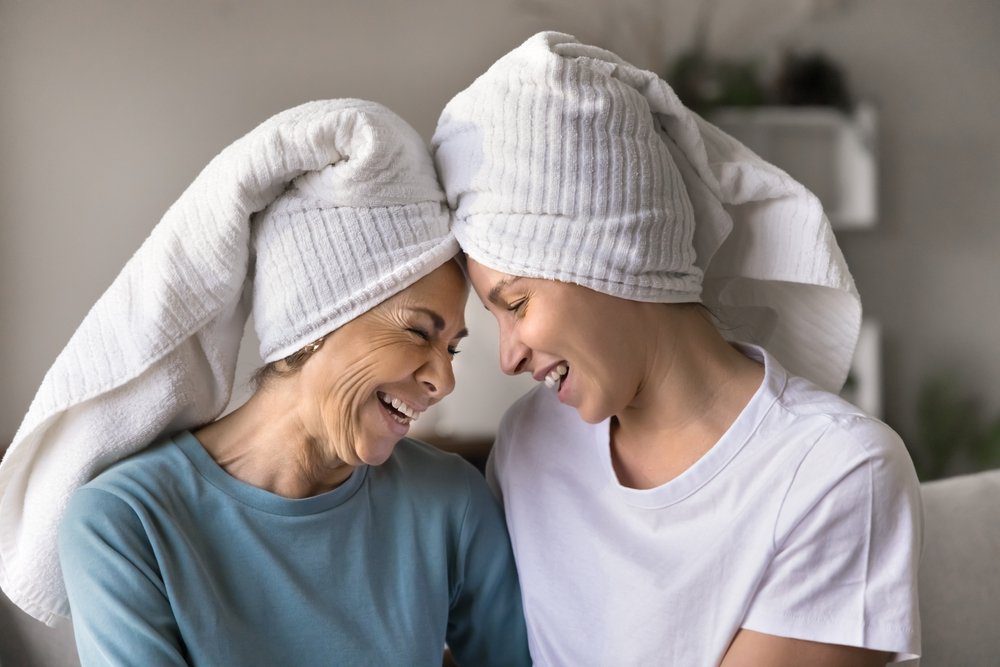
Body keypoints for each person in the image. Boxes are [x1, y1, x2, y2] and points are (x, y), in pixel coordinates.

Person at [433, 32, 921, 666]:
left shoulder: (835, 473)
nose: (510, 357)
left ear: (611, 254)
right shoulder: (528, 443)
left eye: (517, 304)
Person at [1, 100, 529, 666]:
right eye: (420, 333)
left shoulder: (450, 501)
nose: (443, 378)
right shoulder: (128, 523)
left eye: (452, 346)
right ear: (314, 323)